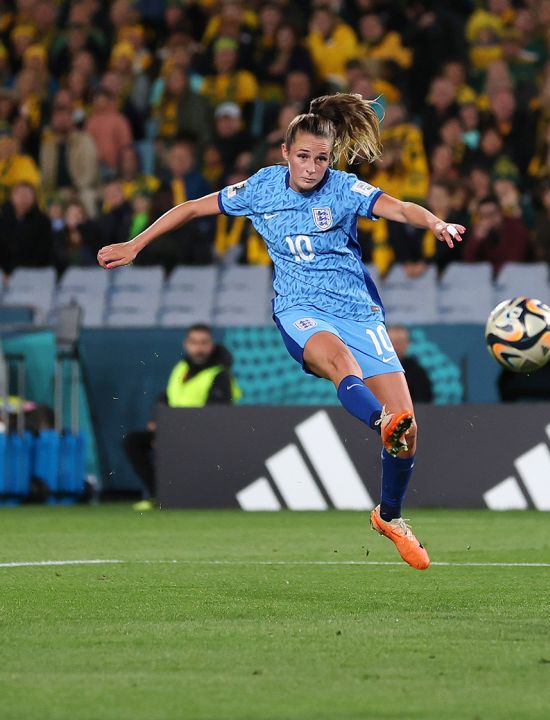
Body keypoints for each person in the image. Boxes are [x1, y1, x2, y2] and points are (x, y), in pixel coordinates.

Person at [98, 94, 465, 571]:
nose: (312, 168)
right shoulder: (261, 189)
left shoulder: (343, 189)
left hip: (359, 313)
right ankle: (378, 421)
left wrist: (434, 221)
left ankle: (390, 517)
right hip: (300, 310)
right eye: (303, 157)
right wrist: (136, 243)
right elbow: (190, 208)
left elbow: (399, 208)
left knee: (408, 433)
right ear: (285, 154)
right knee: (342, 367)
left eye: (321, 158)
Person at [123, 324, 241, 511]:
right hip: (173, 431)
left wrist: (171, 433)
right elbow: (166, 396)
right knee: (132, 441)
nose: (199, 348)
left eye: (203, 343)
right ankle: (157, 493)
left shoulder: (219, 375)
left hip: (203, 436)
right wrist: (157, 421)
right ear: (186, 344)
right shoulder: (181, 368)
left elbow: (216, 414)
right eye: (194, 343)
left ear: (211, 345)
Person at [388, 325, 434, 405]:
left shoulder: (417, 372)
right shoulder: (375, 369)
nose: (395, 346)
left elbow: (423, 401)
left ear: (407, 344)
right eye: (391, 342)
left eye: (400, 342)